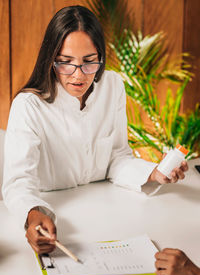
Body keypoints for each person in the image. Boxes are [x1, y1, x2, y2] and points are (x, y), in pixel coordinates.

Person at [2, 5, 188, 254]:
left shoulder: (112, 86)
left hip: (108, 215)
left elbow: (118, 157)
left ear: (100, 57)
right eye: (66, 63)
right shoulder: (28, 106)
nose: (78, 75)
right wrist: (33, 213)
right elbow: (18, 183)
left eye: (89, 62)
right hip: (58, 216)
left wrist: (152, 174)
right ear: (51, 58)